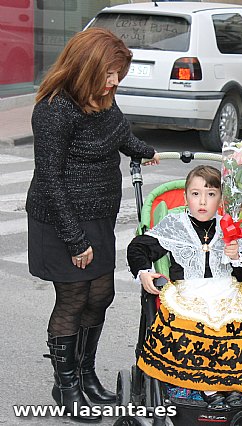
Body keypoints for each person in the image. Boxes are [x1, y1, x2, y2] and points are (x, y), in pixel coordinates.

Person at [26, 28, 160, 422]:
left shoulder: (102, 99)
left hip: (99, 217)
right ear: (85, 67)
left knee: (100, 295)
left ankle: (86, 376)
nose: (115, 82)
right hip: (61, 220)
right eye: (109, 73)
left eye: (118, 73)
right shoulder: (54, 109)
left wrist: (144, 151)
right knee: (73, 299)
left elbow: (117, 135)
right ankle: (66, 388)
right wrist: (74, 239)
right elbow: (50, 179)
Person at [126, 165, 242, 400]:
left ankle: (237, 385)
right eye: (195, 194)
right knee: (196, 327)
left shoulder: (230, 226)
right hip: (189, 293)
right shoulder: (175, 226)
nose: (202, 201)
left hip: (226, 291)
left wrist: (236, 257)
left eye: (211, 194)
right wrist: (144, 272)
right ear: (185, 198)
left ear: (221, 200)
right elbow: (139, 247)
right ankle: (209, 388)